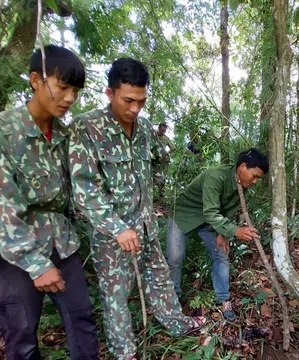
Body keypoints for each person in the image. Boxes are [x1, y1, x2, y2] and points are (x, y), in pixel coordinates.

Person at [68, 58, 205, 360]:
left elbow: (158, 160)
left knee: (159, 278)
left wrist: (151, 195)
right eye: (128, 100)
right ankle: (125, 351)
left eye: (141, 101)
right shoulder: (87, 127)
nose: (134, 109)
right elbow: (84, 189)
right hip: (111, 236)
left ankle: (176, 323)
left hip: (145, 226)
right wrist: (117, 227)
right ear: (109, 93)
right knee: (115, 298)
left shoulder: (143, 128)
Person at [0, 45, 99, 359]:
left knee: (82, 319)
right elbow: (3, 206)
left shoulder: (65, 137)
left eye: (76, 91)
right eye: (63, 87)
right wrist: (36, 264)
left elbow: (80, 192)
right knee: (21, 335)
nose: (70, 98)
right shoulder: (5, 131)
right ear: (35, 80)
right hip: (16, 250)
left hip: (63, 242)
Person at [166, 148, 269, 322]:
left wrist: (224, 233)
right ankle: (172, 300)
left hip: (210, 222)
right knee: (175, 257)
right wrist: (234, 230)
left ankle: (224, 299)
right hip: (184, 216)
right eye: (255, 176)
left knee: (221, 253)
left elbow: (227, 211)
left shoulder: (242, 188)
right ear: (243, 167)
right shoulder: (216, 176)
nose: (255, 181)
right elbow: (211, 212)